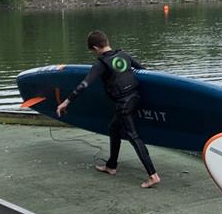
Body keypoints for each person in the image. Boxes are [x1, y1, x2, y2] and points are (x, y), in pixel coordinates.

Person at [56, 30, 161, 189]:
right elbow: (144, 71)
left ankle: (153, 175)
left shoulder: (101, 63)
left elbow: (84, 84)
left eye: (93, 51)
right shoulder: (123, 55)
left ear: (96, 48)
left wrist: (66, 102)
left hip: (123, 104)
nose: (94, 54)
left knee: (133, 136)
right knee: (113, 128)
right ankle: (111, 166)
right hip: (135, 97)